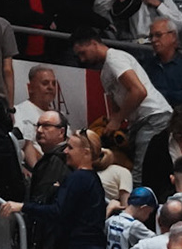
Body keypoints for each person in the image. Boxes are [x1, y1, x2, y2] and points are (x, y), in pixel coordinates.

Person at [72, 30, 173, 169]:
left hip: (153, 116)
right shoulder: (104, 73)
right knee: (137, 167)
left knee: (142, 170)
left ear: (94, 43)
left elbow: (139, 91)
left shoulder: (115, 58)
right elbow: (116, 108)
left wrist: (117, 120)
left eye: (83, 53)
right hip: (141, 120)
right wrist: (112, 123)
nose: (82, 59)